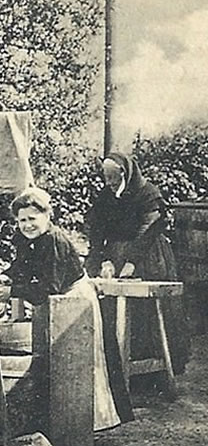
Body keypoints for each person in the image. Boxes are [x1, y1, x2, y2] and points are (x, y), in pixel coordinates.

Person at [0, 187, 120, 431]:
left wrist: (12, 292)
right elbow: (21, 265)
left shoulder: (53, 240)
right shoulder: (30, 239)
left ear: (47, 216)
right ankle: (61, 421)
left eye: (32, 218)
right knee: (57, 362)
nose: (27, 225)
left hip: (75, 302)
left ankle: (88, 423)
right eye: (21, 221)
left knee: (80, 364)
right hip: (59, 303)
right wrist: (6, 276)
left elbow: (49, 286)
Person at [86, 152, 190, 376]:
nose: (110, 184)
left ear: (125, 173)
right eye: (106, 179)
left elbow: (148, 231)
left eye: (114, 179)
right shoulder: (106, 195)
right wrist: (104, 259)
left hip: (148, 255)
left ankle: (153, 371)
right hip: (114, 255)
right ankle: (118, 368)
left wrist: (131, 262)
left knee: (146, 310)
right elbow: (96, 229)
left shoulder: (148, 194)